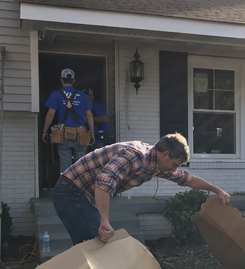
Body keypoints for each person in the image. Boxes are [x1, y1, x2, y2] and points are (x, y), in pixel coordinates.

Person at [53, 133, 231, 245]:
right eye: (175, 165)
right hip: (71, 191)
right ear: (165, 154)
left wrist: (217, 191)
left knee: (97, 246)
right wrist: (105, 220)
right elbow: (104, 182)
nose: (174, 170)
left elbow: (187, 179)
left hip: (84, 195)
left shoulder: (156, 163)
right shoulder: (134, 155)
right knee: (94, 245)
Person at [42, 68, 95, 173]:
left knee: (65, 164)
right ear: (74, 80)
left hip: (64, 134)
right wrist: (92, 133)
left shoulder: (56, 94)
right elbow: (89, 115)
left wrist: (44, 131)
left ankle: (65, 188)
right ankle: (79, 188)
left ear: (61, 80)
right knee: (80, 165)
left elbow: (51, 113)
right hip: (80, 134)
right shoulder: (82, 95)